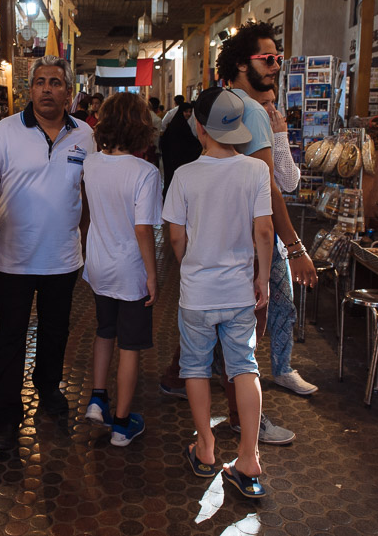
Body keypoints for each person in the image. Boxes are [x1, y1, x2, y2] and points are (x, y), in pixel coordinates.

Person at [0, 54, 96, 451]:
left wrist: (84, 238)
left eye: (56, 82)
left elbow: (89, 194)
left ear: (69, 92)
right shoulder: (5, 132)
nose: (47, 88)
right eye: (41, 82)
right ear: (31, 89)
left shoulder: (84, 136)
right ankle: (5, 417)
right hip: (13, 256)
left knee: (55, 332)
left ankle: (48, 390)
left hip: (62, 258)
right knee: (9, 336)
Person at [163, 86, 272, 498]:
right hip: (239, 291)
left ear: (200, 127)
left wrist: (191, 262)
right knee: (244, 366)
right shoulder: (255, 171)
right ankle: (248, 458)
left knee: (195, 367)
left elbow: (175, 238)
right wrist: (260, 277)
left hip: (197, 294)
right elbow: (264, 229)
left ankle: (206, 450)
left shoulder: (185, 175)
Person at [217, 21, 318, 404]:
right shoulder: (254, 113)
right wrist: (294, 247)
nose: (276, 64)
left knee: (231, 319)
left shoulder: (221, 104)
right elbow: (271, 187)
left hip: (225, 232)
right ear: (244, 63)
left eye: (278, 58)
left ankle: (185, 377)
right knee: (249, 323)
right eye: (268, 58)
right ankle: (246, 421)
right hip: (254, 236)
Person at [81, 93, 162, 447]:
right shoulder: (145, 172)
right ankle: (121, 425)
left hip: (97, 266)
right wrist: (153, 274)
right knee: (130, 346)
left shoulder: (91, 164)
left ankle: (98, 398)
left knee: (104, 331)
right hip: (130, 272)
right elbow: (143, 228)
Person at [158, 102, 201, 201]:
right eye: (186, 111)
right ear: (181, 111)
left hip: (172, 159)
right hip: (175, 159)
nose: (188, 114)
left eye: (190, 112)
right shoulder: (180, 125)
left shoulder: (178, 124)